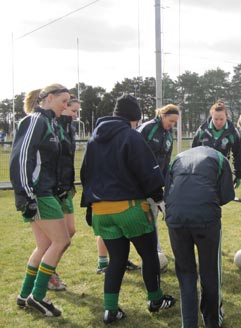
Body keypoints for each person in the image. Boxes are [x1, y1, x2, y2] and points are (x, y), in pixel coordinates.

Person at [80, 94, 176, 324]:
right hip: (130, 208)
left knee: (116, 261)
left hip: (101, 211)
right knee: (149, 256)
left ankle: (110, 310)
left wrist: (89, 207)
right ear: (134, 118)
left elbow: (85, 173)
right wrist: (158, 196)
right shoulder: (130, 136)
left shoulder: (93, 139)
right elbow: (146, 169)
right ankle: (155, 300)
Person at [10, 84, 72, 316]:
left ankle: (25, 294)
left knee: (45, 245)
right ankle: (38, 296)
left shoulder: (50, 123)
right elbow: (21, 157)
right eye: (63, 101)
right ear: (49, 98)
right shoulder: (36, 119)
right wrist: (27, 194)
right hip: (37, 193)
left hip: (45, 191)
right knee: (61, 241)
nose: (66, 106)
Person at [164, 146, 235, 328]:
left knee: (186, 273)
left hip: (176, 219)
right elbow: (226, 196)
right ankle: (212, 321)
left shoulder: (177, 158)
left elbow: (168, 192)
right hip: (205, 220)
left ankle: (188, 324)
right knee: (210, 270)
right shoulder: (220, 159)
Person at [45, 95, 80, 291]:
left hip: (66, 188)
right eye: (72, 110)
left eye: (76, 111)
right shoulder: (52, 127)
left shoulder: (70, 128)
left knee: (70, 231)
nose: (75, 115)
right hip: (53, 189)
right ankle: (48, 273)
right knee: (56, 239)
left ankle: (49, 269)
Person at [137, 103, 180, 254]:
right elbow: (135, 153)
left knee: (152, 216)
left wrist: (166, 183)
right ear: (163, 115)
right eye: (171, 121)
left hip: (156, 184)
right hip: (140, 183)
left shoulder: (168, 135)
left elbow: (166, 162)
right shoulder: (148, 128)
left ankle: (155, 250)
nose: (172, 125)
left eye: (175, 122)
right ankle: (151, 251)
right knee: (141, 219)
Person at [192, 100, 241, 188]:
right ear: (211, 116)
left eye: (221, 119)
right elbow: (193, 152)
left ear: (226, 117)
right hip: (204, 171)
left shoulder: (233, 133)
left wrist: (238, 174)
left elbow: (238, 155)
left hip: (222, 172)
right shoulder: (202, 130)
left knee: (219, 199)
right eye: (215, 119)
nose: (218, 122)